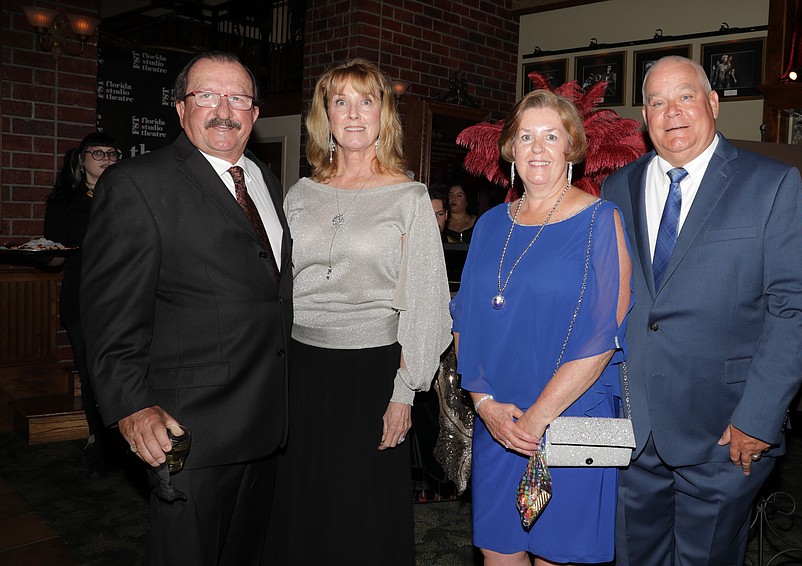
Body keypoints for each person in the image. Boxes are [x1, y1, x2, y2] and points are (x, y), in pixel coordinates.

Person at [601, 56, 802, 565]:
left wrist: (758, 419)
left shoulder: (769, 183)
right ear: (644, 117)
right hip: (633, 430)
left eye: (685, 96)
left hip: (725, 433)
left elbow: (796, 309)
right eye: (657, 102)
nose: (672, 112)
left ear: (713, 103)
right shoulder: (618, 187)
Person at [80, 51, 292, 565]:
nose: (224, 110)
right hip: (188, 430)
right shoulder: (136, 184)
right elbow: (110, 317)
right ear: (180, 109)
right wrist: (131, 407)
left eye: (238, 98)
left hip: (266, 423)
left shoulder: (265, 180)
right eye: (207, 95)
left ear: (255, 113)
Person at [266, 58, 451, 565]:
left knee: (361, 510)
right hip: (300, 369)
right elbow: (278, 287)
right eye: (340, 101)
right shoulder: (300, 194)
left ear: (383, 115)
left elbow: (428, 304)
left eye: (365, 101)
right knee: (301, 501)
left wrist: (404, 392)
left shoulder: (409, 197)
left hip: (373, 372)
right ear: (324, 115)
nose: (352, 114)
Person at [451, 89, 631, 565]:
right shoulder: (490, 224)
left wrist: (537, 419)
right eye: (526, 136)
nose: (537, 148)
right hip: (500, 418)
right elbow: (464, 319)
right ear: (510, 148)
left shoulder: (601, 220)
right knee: (498, 552)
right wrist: (484, 404)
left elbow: (604, 336)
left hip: (578, 415)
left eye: (551, 136)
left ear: (572, 147)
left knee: (561, 556)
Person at [44, 132, 122, 479]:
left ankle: (124, 443)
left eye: (112, 153)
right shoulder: (64, 202)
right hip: (81, 298)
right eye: (98, 153)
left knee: (120, 371)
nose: (106, 158)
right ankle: (100, 445)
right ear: (81, 159)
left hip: (122, 297)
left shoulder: (126, 196)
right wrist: (42, 255)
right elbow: (55, 257)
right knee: (91, 375)